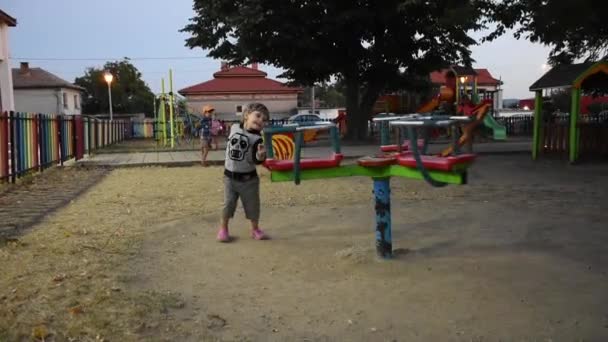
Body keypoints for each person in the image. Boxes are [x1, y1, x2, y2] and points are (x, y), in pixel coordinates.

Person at [217, 102, 269, 242]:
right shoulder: (234, 127)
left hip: (249, 180)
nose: (260, 120)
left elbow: (256, 160)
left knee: (253, 206)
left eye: (264, 120)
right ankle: (223, 229)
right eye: (258, 116)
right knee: (227, 205)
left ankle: (255, 229)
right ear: (246, 115)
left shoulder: (257, 139)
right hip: (229, 178)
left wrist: (261, 155)